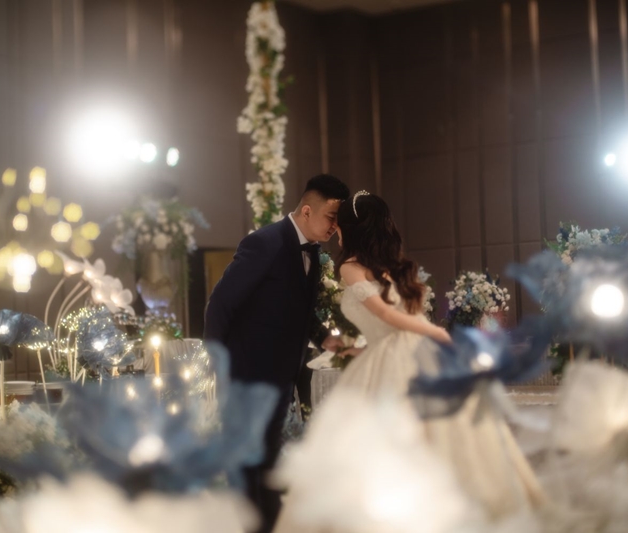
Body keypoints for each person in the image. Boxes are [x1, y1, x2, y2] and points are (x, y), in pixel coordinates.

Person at [272, 191, 544, 532]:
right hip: (406, 352)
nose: (335, 231)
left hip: (405, 354)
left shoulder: (350, 267)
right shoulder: (394, 268)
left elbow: (387, 315)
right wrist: (357, 350)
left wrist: (438, 333)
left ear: (352, 229)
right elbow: (392, 326)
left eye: (339, 225)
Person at [204, 174, 350, 533]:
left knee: (267, 463)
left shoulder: (313, 253)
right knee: (245, 466)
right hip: (246, 375)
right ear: (307, 210)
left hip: (281, 377)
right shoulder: (264, 243)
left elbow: (300, 311)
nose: (334, 227)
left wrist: (325, 338)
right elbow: (219, 305)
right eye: (331, 217)